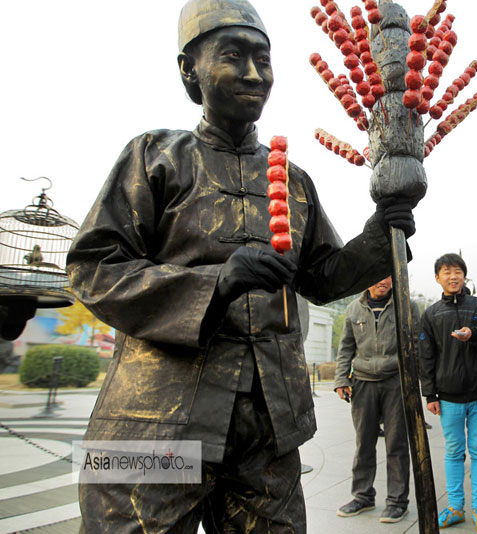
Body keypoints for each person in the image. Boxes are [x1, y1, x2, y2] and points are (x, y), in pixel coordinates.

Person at [65, 1, 414, 531]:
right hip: (155, 427)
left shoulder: (294, 181)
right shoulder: (155, 156)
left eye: (263, 59)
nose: (254, 74)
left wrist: (378, 234)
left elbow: (321, 277)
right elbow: (93, 269)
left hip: (267, 432)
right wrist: (216, 283)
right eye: (233, 56)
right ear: (190, 70)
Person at [419, 253, 477, 533]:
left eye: (457, 271)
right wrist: (430, 394)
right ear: (437, 278)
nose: (453, 276)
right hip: (449, 397)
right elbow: (426, 356)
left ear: (464, 276)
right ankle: (456, 507)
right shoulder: (431, 314)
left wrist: (475, 334)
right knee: (454, 452)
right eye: (446, 272)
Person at [333, 276, 417, 523]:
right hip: (363, 382)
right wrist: (341, 380)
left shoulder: (405, 304)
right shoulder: (353, 309)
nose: (384, 281)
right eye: (379, 276)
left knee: (397, 444)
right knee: (364, 443)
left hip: (395, 382)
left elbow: (415, 343)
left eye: (389, 276)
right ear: (368, 279)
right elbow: (346, 348)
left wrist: (414, 382)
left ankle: (397, 501)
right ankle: (362, 496)